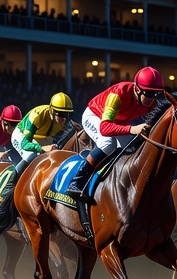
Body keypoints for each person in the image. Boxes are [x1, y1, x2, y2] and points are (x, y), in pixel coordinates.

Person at [64, 66, 166, 201]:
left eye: (155, 94)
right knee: (108, 143)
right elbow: (105, 128)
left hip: (116, 121)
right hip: (95, 116)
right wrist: (132, 129)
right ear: (137, 89)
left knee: (132, 148)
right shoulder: (118, 94)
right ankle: (77, 181)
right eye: (148, 93)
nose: (152, 99)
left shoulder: (151, 101)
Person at [9, 92, 75, 174]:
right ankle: (13, 179)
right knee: (31, 156)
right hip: (22, 136)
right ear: (52, 111)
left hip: (43, 137)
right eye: (60, 114)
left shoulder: (65, 122)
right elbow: (25, 144)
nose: (63, 119)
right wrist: (42, 148)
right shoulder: (38, 116)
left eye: (66, 114)